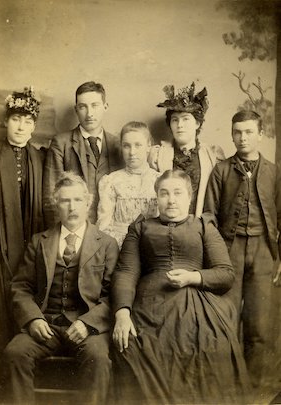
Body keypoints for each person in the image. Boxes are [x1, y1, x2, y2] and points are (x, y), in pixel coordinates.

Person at [111, 169, 251, 405]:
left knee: (210, 344)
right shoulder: (140, 228)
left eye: (177, 193)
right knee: (133, 345)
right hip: (149, 305)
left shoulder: (203, 227)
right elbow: (126, 272)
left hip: (198, 303)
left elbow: (226, 274)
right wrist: (122, 313)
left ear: (189, 197)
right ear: (157, 198)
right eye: (164, 194)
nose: (171, 199)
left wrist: (193, 277)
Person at [4, 172, 119, 405]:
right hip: (48, 325)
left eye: (77, 200)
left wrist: (88, 323)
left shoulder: (106, 243)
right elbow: (21, 286)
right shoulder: (39, 241)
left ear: (88, 203)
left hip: (87, 327)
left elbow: (113, 295)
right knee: (15, 353)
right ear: (56, 204)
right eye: (65, 201)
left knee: (99, 359)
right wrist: (33, 319)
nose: (72, 207)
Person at [204, 110, 281, 388]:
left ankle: (257, 390)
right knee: (225, 320)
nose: (242, 137)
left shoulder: (273, 171)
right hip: (229, 251)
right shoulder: (221, 171)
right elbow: (209, 217)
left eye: (249, 132)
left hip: (264, 252)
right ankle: (226, 388)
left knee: (260, 325)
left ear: (260, 134)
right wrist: (216, 256)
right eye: (237, 132)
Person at [0, 86, 45, 402]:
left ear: (33, 125)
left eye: (27, 121)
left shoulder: (41, 158)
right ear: (7, 121)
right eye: (15, 119)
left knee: (24, 302)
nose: (20, 126)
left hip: (30, 238)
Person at [43, 81, 122, 226]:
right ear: (76, 110)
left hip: (110, 230)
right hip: (75, 229)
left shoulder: (118, 145)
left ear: (105, 107)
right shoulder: (61, 144)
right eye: (82, 107)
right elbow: (52, 197)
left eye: (95, 105)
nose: (89, 113)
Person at [149, 82, 225, 216]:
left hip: (200, 226)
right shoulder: (158, 155)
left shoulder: (212, 155)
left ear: (197, 123)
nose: (180, 125)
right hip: (166, 226)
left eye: (185, 119)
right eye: (175, 120)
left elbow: (217, 198)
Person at [97, 121, 160, 248]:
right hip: (119, 246)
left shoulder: (160, 180)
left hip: (153, 244)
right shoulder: (111, 181)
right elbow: (103, 224)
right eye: (126, 146)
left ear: (148, 146)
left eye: (138, 145)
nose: (132, 152)